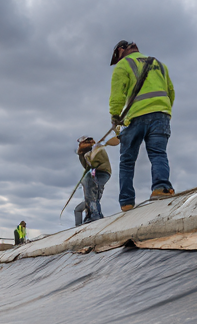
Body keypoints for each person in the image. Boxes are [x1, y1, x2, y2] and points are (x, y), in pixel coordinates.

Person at [108, 40, 176, 211]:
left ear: (121, 50)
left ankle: (126, 202)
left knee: (127, 161)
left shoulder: (124, 65)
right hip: (161, 115)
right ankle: (161, 188)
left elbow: (117, 94)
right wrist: (162, 110)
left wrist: (115, 116)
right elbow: (170, 92)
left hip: (136, 117)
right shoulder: (159, 64)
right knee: (158, 153)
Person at [74, 135, 112, 226]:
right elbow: (86, 166)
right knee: (95, 196)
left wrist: (83, 153)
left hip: (102, 172)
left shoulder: (95, 148)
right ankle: (97, 215)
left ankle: (94, 215)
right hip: (100, 173)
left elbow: (94, 164)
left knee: (91, 194)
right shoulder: (87, 153)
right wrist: (81, 155)